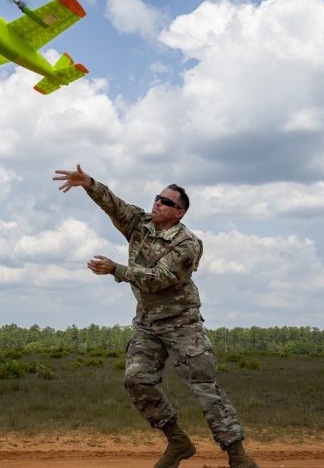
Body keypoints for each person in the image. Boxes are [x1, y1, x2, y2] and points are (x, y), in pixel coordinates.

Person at [54, 164, 259, 468]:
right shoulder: (140, 224)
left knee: (204, 387)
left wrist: (117, 270)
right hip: (148, 323)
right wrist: (88, 183)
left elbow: (159, 277)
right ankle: (177, 442)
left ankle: (237, 456)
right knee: (136, 380)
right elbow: (115, 204)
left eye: (167, 202)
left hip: (182, 324)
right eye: (157, 198)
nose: (158, 203)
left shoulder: (187, 244)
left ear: (180, 213)